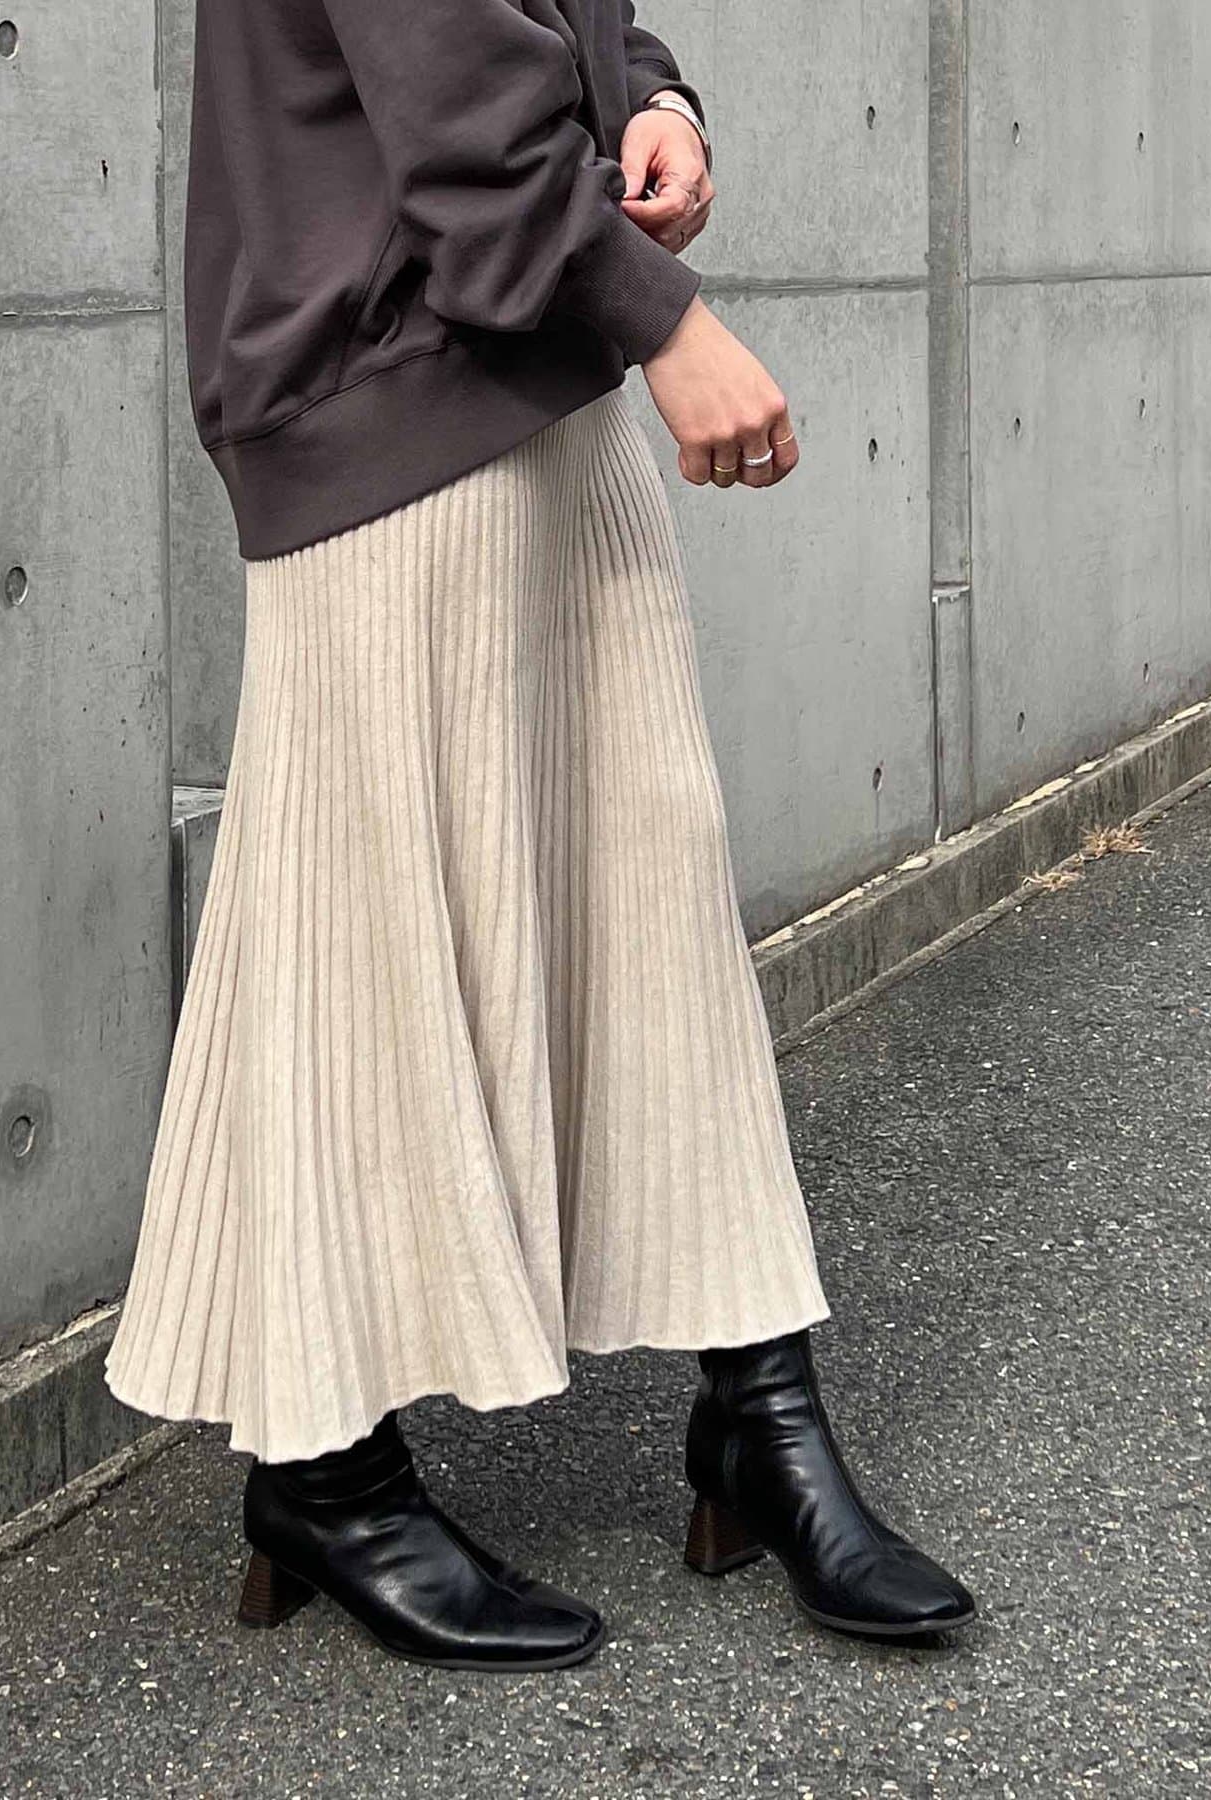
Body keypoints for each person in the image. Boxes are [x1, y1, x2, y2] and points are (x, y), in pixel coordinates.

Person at [105, 0, 975, 1671]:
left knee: (653, 891)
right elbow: (458, 104)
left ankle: (760, 1409)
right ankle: (325, 1474)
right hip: (381, 390)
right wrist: (671, 325)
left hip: (534, 363)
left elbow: (553, 25)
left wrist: (656, 100)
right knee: (362, 932)